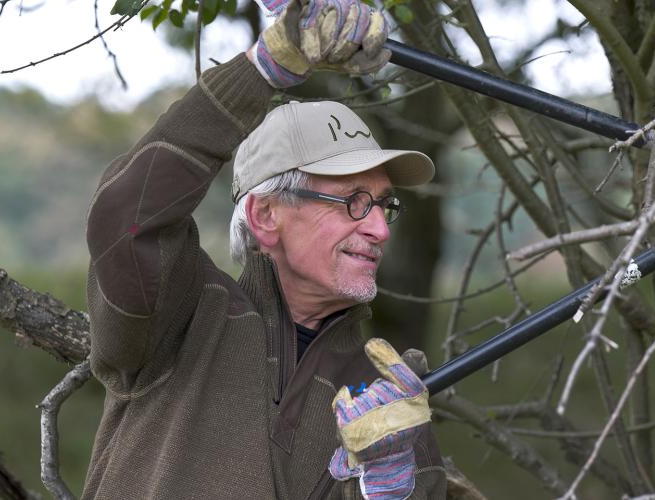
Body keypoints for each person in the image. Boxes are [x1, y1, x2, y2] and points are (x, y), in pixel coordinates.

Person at [81, 0, 445, 498]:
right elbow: (127, 217)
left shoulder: (388, 394)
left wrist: (391, 487)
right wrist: (264, 68)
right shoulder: (177, 316)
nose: (380, 228)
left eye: (385, 205)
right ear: (266, 216)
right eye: (354, 202)